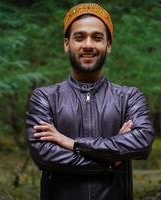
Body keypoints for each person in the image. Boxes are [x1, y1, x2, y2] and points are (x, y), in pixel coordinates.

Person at [26, 3, 154, 200]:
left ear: (108, 45)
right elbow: (44, 155)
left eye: (97, 37)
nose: (88, 44)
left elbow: (142, 143)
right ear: (67, 44)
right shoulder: (44, 97)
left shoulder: (130, 97)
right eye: (79, 37)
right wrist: (112, 160)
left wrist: (71, 143)